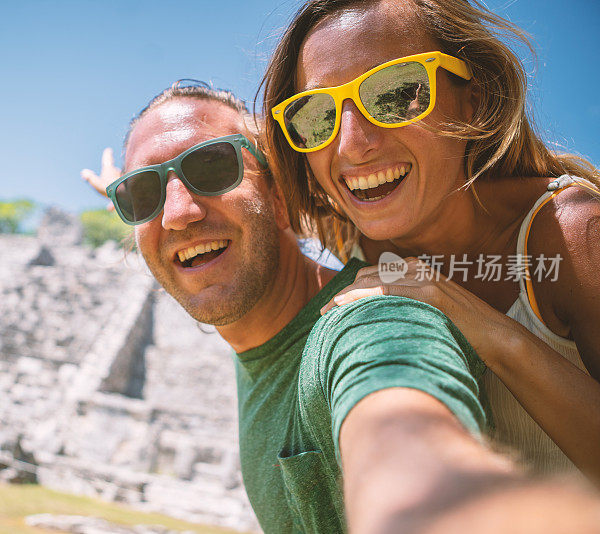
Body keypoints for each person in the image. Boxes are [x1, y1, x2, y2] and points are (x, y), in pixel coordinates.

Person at [82, 82, 600, 533]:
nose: (177, 214)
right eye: (142, 193)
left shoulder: (374, 313)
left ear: (281, 194)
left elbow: (401, 424)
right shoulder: (241, 298)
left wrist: (436, 505)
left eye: (213, 166)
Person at [261, 0, 600, 483]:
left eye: (395, 93)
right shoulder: (355, 230)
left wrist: (481, 325)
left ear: (474, 100)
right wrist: (146, 190)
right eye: (316, 115)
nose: (352, 143)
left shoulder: (572, 235)